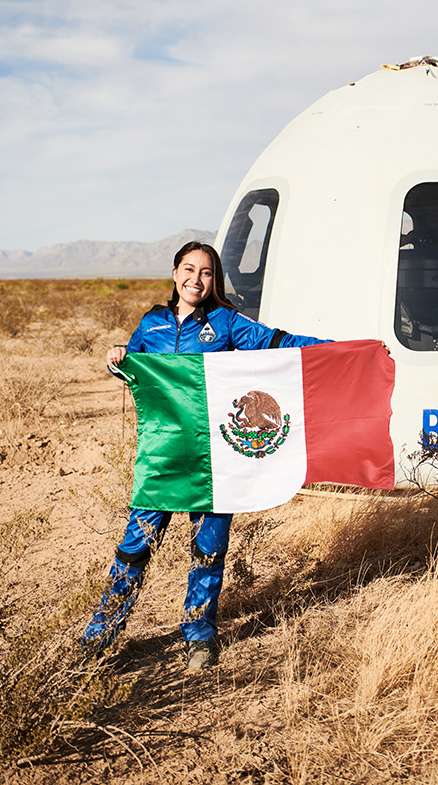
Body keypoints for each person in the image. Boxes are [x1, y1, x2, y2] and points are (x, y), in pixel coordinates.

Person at [82, 241, 328, 670]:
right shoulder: (152, 324)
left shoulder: (225, 321)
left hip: (215, 458)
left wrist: (335, 350)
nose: (197, 279)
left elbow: (277, 341)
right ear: (175, 274)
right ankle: (100, 636)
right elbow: (130, 364)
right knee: (134, 547)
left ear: (215, 280)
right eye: (189, 269)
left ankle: (199, 634)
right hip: (162, 456)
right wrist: (116, 357)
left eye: (207, 272)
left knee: (208, 551)